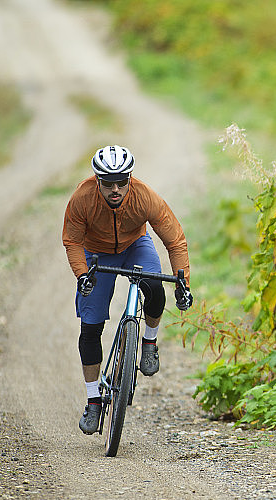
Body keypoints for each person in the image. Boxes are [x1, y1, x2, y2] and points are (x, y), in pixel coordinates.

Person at [62, 145, 193, 435]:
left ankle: (148, 343)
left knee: (154, 288)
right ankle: (93, 401)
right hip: (96, 253)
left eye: (122, 181)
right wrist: (82, 275)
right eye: (108, 183)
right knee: (90, 327)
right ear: (97, 180)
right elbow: (72, 241)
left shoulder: (144, 196)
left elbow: (175, 240)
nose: (116, 189)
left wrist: (183, 283)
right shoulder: (82, 199)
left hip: (135, 246)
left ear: (130, 178)